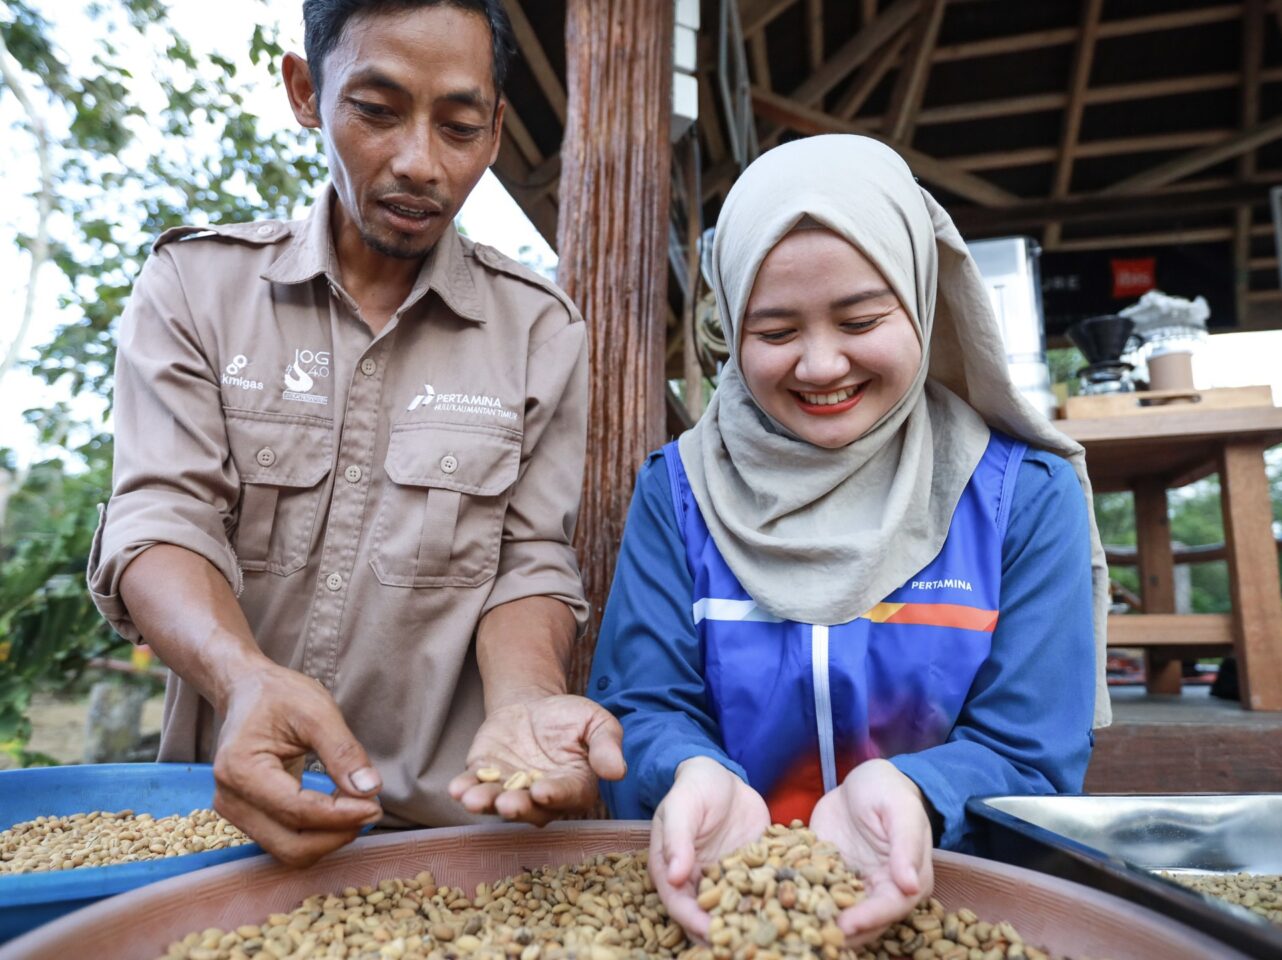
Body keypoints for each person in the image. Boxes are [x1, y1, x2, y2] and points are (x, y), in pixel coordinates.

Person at [87, 0, 623, 867]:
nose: (419, 162)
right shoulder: (196, 288)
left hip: (448, 837)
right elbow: (162, 519)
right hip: (222, 832)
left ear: (493, 134)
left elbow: (528, 560)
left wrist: (524, 699)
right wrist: (241, 677)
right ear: (307, 91)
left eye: (459, 125)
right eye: (376, 111)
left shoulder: (539, 331)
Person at [589, 135, 1111, 948]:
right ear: (732, 323)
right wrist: (686, 773)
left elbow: (1033, 752)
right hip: (715, 915)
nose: (822, 364)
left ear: (921, 297)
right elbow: (644, 706)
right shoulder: (677, 492)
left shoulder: (1022, 500)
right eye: (774, 330)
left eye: (862, 318)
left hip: (943, 900)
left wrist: (919, 794)